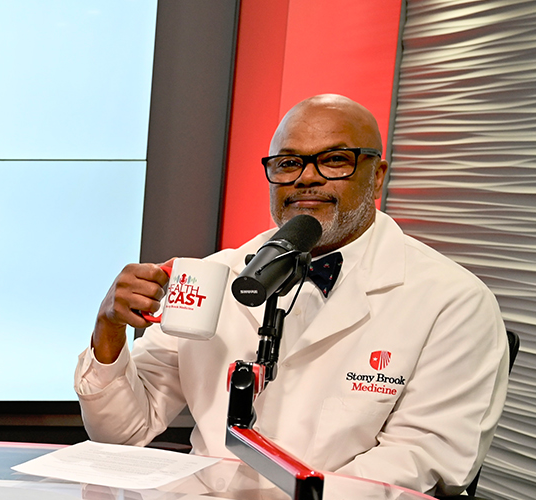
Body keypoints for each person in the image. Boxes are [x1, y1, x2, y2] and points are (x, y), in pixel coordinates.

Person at [75, 94, 508, 496]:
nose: (306, 179)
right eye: (288, 163)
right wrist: (108, 329)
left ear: (376, 177)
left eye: (335, 160)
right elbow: (123, 432)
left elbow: (422, 461)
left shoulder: (453, 301)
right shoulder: (218, 273)